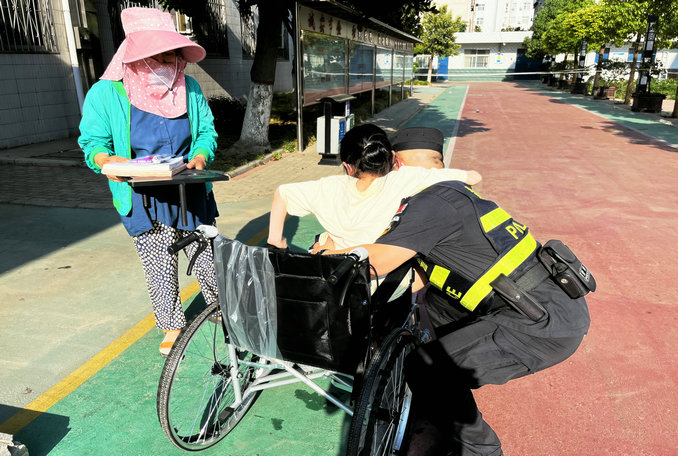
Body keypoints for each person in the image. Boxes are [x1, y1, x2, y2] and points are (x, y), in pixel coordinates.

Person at [322, 180, 592, 455]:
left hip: (540, 321)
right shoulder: (440, 204)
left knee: (425, 368)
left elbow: (377, 261)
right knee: (434, 304)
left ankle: (481, 451)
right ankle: (442, 398)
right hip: (533, 304)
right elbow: (417, 278)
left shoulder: (429, 205)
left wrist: (326, 255)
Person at [78, 7, 219, 356]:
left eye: (173, 54)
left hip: (189, 188)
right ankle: (172, 325)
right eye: (158, 55)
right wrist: (105, 161)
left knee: (207, 254)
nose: (169, 62)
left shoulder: (189, 87)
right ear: (135, 55)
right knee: (158, 262)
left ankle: (220, 308)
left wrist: (201, 156)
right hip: (141, 195)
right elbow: (93, 142)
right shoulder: (106, 93)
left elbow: (206, 131)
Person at [266, 124, 481, 253]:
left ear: (348, 167)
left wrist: (276, 240)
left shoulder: (328, 187)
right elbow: (473, 177)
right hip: (381, 276)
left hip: (336, 271)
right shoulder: (407, 179)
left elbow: (282, 193)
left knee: (322, 239)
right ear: (393, 158)